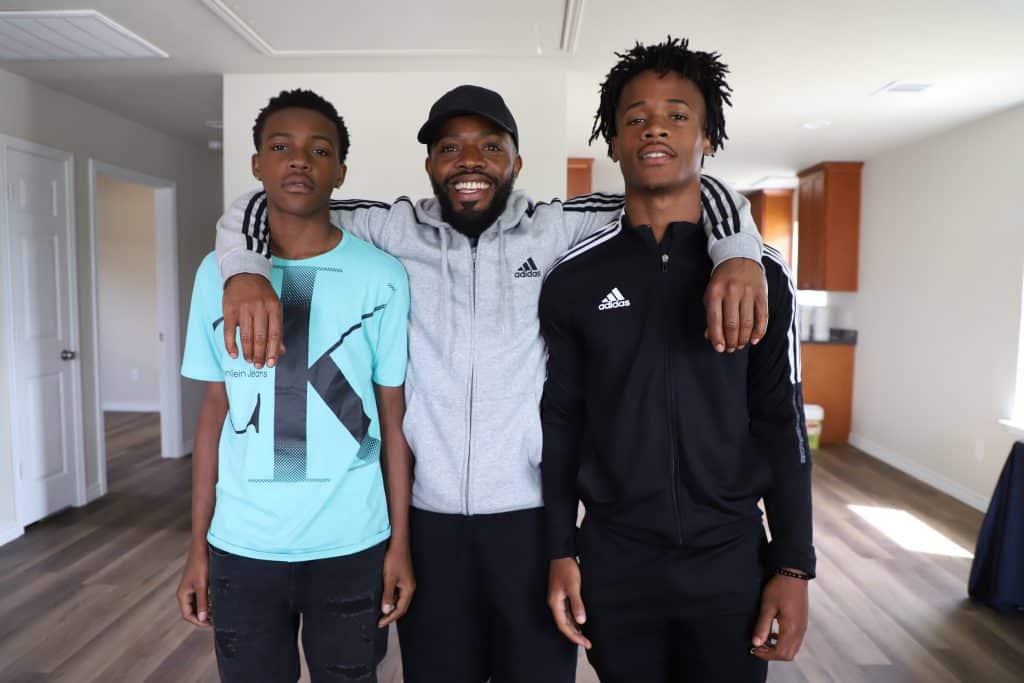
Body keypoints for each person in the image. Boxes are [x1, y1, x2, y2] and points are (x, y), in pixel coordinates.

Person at [212, 84, 767, 683]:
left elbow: (686, 188)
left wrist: (737, 252)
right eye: (449, 147)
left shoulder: (558, 228)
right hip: (429, 520)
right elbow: (275, 201)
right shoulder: (393, 230)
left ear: (516, 162)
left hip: (530, 520)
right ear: (429, 164)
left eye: (490, 146)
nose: (469, 160)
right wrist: (244, 270)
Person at [540, 37, 815, 683]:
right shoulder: (573, 277)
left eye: (677, 113)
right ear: (611, 141)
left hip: (729, 560)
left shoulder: (763, 276)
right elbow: (561, 423)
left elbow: (781, 423)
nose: (654, 125)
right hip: (614, 557)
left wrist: (793, 563)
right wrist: (560, 546)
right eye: (634, 116)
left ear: (708, 138)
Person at [175, 89, 415, 683]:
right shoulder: (217, 276)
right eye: (280, 146)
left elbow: (392, 418)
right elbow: (213, 411)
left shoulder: (382, 275)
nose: (299, 160)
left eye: (319, 149)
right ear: (257, 165)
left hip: (352, 544)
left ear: (340, 171)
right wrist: (197, 547)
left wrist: (400, 543)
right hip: (242, 545)